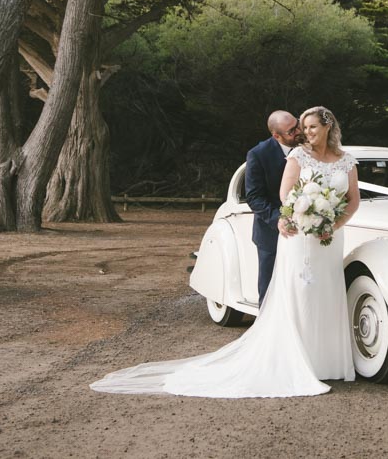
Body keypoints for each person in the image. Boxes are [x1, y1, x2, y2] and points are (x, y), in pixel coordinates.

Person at [89, 106, 358, 398]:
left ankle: (327, 362)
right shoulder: (292, 156)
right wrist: (298, 218)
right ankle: (294, 360)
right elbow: (283, 195)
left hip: (329, 237)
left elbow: (352, 199)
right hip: (296, 233)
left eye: (310, 127)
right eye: (300, 128)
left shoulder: (346, 161)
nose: (304, 133)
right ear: (277, 133)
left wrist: (332, 222)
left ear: (328, 127)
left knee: (327, 292)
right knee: (294, 294)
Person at [245, 110, 301, 302]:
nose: (298, 131)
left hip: (308, 231)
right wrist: (280, 219)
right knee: (269, 289)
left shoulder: (312, 148)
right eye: (291, 131)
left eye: (297, 124)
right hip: (271, 233)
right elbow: (254, 197)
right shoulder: (258, 154)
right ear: (277, 136)